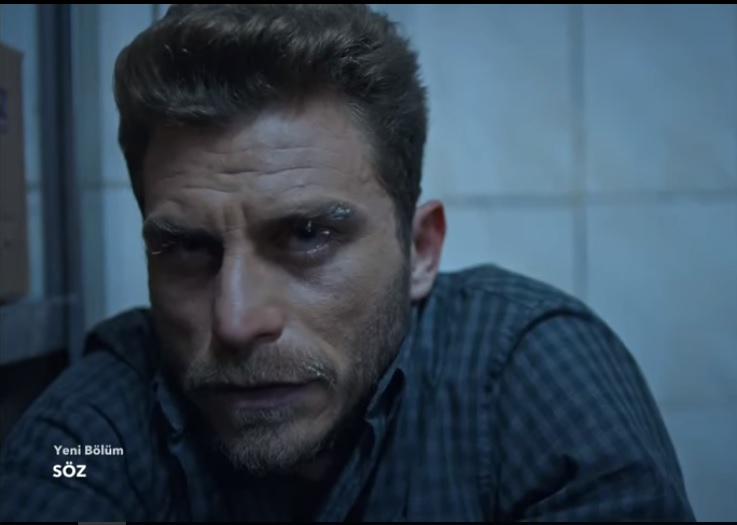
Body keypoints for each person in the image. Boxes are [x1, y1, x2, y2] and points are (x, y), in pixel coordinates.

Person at [0, 4, 695, 522]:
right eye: (187, 249)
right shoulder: (100, 433)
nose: (236, 320)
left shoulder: (527, 374)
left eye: (307, 235)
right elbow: (64, 476)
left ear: (420, 251)